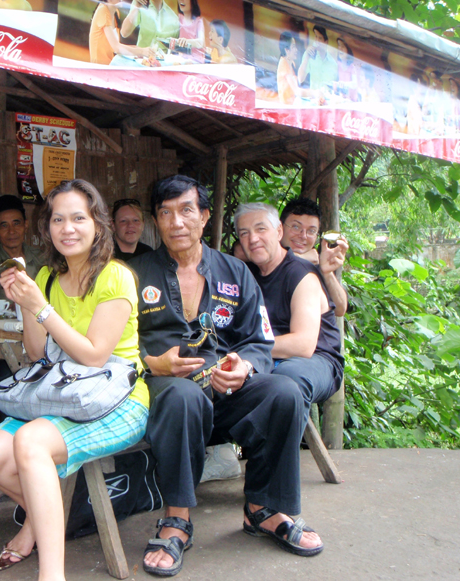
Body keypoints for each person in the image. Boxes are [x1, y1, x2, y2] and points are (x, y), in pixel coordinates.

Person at [131, 175, 323, 575]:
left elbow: (260, 339)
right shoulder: (132, 274)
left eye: (186, 211)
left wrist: (245, 366)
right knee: (181, 394)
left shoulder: (235, 271)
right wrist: (154, 364)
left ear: (203, 217)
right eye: (165, 213)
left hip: (223, 394)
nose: (176, 222)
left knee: (284, 391)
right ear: (156, 220)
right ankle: (177, 520)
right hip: (164, 398)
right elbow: (112, 346)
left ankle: (263, 509)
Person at [0, 179, 149, 578]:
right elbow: (37, 353)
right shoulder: (46, 277)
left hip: (117, 399)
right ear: (47, 229)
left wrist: (41, 309)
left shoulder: (116, 276)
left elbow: (94, 355)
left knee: (31, 442)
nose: (67, 228)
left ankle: (50, 572)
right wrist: (26, 302)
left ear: (97, 224)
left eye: (78, 218)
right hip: (63, 392)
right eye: (58, 219)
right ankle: (43, 520)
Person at [236, 203, 344, 432]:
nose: (253, 238)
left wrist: (246, 349)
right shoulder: (245, 273)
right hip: (265, 356)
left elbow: (303, 344)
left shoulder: (301, 273)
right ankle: (220, 450)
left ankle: (276, 462)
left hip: (316, 360)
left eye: (260, 229)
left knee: (286, 379)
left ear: (278, 232)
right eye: (244, 233)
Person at [279, 197, 348, 316]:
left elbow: (340, 309)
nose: (303, 236)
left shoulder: (315, 263)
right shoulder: (264, 257)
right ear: (280, 227)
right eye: (296, 227)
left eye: (311, 231)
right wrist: (301, 259)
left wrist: (327, 273)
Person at [0, 194, 44, 300]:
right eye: (4, 225)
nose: (11, 231)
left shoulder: (42, 259)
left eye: (16, 223)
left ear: (25, 225)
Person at [89, 0, 156, 65]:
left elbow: (117, 47)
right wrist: (141, 51)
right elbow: (117, 48)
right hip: (102, 68)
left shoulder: (115, 12)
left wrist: (140, 49)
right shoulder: (103, 11)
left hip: (113, 64)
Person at [276, 31, 317, 105]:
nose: (296, 50)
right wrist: (314, 93)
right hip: (287, 110)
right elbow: (297, 91)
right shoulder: (283, 64)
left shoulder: (291, 64)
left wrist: (307, 57)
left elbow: (299, 82)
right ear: (287, 50)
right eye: (293, 47)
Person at [297, 25, 338, 93]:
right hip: (314, 99)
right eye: (316, 37)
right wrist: (307, 57)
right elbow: (300, 79)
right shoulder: (309, 55)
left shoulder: (333, 63)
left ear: (326, 42)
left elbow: (335, 87)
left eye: (320, 38)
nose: (317, 41)